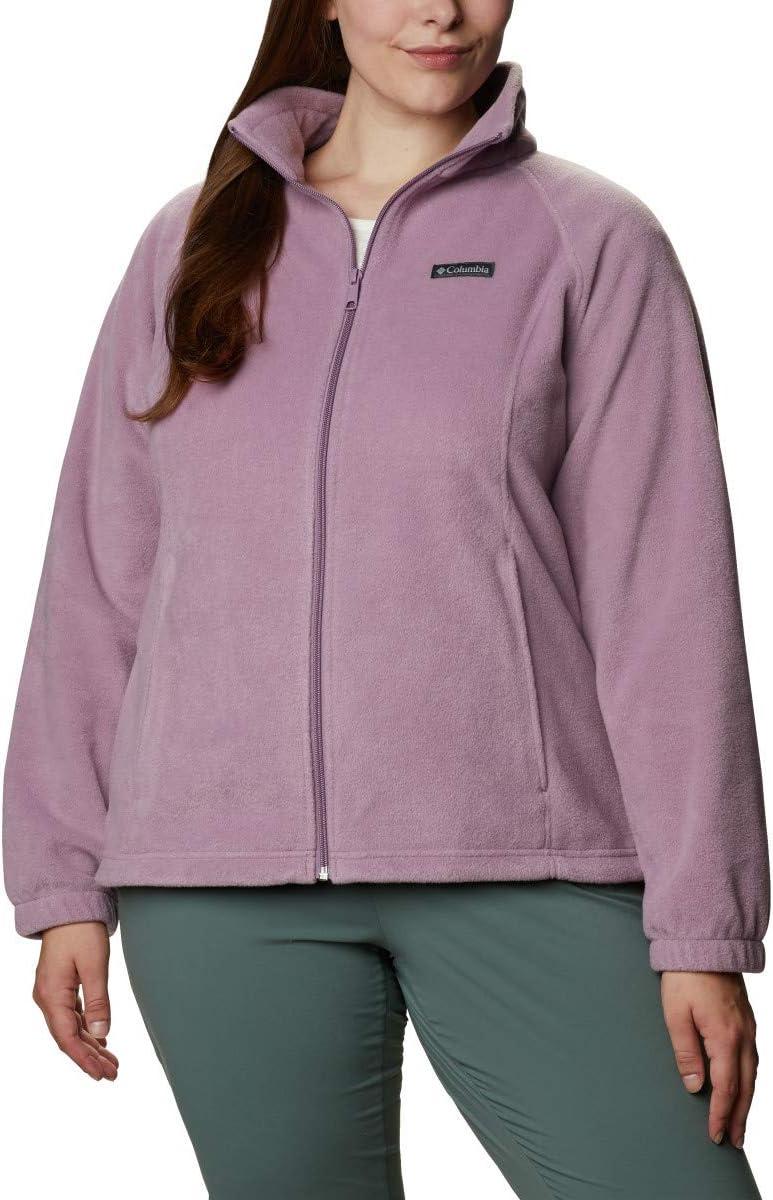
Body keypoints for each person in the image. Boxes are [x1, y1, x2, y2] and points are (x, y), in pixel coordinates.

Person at [3, 2, 770, 1197]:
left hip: (529, 862)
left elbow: (665, 603)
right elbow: (99, 581)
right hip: (214, 881)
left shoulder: (589, 241)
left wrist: (700, 924)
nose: (439, 11)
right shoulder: (193, 244)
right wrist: (60, 884)